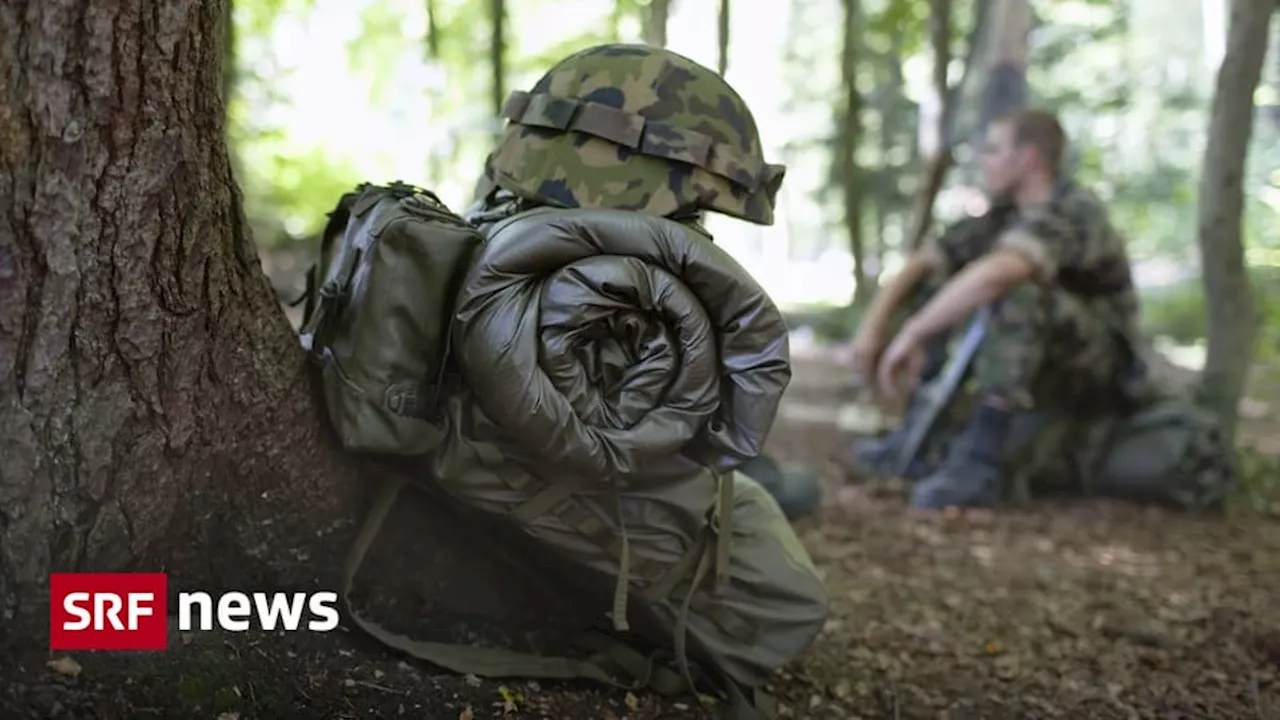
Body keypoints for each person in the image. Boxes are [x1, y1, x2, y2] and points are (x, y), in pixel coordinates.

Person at [846, 109, 1142, 509]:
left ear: (1028, 158)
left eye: (993, 150)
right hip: (1040, 361)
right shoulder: (1001, 217)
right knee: (938, 288)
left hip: (1098, 371)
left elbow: (1002, 272)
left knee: (1014, 290)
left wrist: (914, 332)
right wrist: (872, 328)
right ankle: (920, 435)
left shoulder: (1075, 210)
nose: (983, 160)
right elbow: (923, 262)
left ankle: (981, 465)